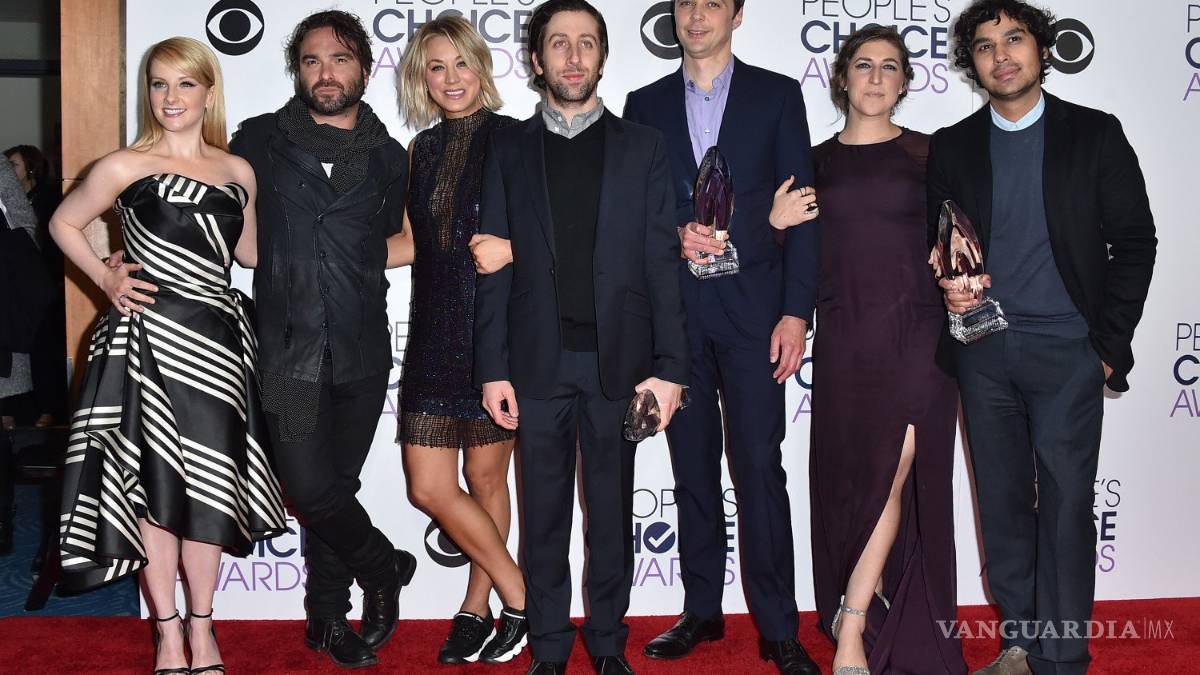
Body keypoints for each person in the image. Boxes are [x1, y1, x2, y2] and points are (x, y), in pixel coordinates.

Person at [930, 2, 1156, 673]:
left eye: (1014, 39)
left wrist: (1107, 347)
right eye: (985, 45)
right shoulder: (953, 145)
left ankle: (1062, 658)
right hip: (983, 350)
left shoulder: (1094, 134)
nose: (1001, 55)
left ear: (1042, 50)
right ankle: (1021, 642)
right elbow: (936, 244)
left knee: (1064, 508)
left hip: (1068, 352)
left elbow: (1135, 242)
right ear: (972, 63)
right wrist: (946, 280)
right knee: (1001, 506)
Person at [51, 37, 287, 675]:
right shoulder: (122, 165)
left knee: (208, 489)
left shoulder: (239, 171)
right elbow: (63, 223)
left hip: (215, 347)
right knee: (151, 492)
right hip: (144, 343)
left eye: (185, 84)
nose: (171, 97)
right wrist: (106, 275)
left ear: (209, 92)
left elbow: (248, 255)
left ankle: (203, 628)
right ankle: (168, 633)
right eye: (159, 84)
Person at [473, 1, 688, 673]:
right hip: (536, 362)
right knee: (543, 519)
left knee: (611, 518)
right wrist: (492, 367)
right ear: (537, 60)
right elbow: (493, 262)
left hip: (618, 364)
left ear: (601, 56)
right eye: (559, 44)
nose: (573, 56)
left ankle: (606, 643)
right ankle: (548, 647)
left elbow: (661, 262)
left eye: (586, 43)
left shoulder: (642, 146)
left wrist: (671, 367)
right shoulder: (509, 148)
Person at [622, 2, 820, 672]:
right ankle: (702, 609)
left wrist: (796, 312)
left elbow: (804, 211)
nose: (697, 14)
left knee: (759, 466)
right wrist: (676, 232)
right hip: (677, 320)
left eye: (713, 2)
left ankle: (779, 625)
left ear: (737, 14)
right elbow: (634, 213)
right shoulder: (644, 104)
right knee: (692, 467)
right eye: (686, 2)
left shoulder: (777, 95)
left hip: (756, 317)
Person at [772, 26, 967, 675]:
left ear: (906, 81)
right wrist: (771, 225)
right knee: (855, 483)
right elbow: (785, 260)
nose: (877, 77)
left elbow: (963, 239)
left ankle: (852, 626)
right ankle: (874, 610)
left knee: (896, 466)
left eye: (890, 66)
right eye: (864, 64)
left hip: (920, 334)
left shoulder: (932, 154)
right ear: (842, 78)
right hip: (846, 339)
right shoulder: (813, 163)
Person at [228, 10, 417, 670]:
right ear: (297, 71)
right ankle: (385, 567)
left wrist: (350, 259)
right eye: (312, 60)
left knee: (338, 485)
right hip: (289, 351)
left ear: (363, 67)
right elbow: (226, 227)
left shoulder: (389, 156)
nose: (326, 72)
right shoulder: (257, 140)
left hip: (363, 350)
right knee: (309, 490)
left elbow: (402, 240)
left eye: (339, 59)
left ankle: (327, 618)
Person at [392, 15, 528, 666]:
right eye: (436, 67)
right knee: (428, 487)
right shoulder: (420, 149)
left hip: (494, 331)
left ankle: (477, 607)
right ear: (422, 77)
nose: (451, 78)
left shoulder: (517, 139)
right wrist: (325, 255)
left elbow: (557, 232)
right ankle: (522, 595)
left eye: (461, 63)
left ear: (482, 66)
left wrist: (515, 248)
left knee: (484, 477)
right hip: (430, 333)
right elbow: (411, 242)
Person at [6, 144, 67, 428]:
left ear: (31, 168)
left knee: (43, 348)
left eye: (15, 164)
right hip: (23, 283)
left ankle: (47, 409)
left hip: (41, 283)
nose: (10, 169)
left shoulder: (46, 200)